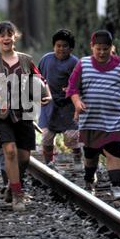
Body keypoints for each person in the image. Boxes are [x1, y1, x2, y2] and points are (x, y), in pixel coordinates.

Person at [0, 21, 50, 211]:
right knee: (10, 151)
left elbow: (40, 80)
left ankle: (12, 184)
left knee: (23, 157)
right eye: (2, 35)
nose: (6, 38)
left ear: (15, 36)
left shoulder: (26, 60)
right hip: (1, 114)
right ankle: (17, 194)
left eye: (9, 34)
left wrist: (46, 95)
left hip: (25, 112)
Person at [66, 30, 120, 199]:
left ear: (111, 48)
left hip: (116, 119)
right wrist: (77, 102)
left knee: (114, 149)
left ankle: (117, 186)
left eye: (106, 48)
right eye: (98, 48)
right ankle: (89, 178)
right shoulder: (83, 64)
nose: (102, 52)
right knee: (91, 153)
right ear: (92, 47)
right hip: (91, 118)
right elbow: (72, 88)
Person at [38, 29, 83, 171]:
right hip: (49, 104)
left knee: (72, 136)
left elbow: (80, 83)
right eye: (58, 45)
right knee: (46, 135)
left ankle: (77, 158)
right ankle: (48, 162)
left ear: (71, 48)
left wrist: (72, 89)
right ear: (53, 46)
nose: (61, 49)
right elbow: (38, 78)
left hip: (68, 106)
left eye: (65, 46)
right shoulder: (46, 59)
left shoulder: (74, 62)